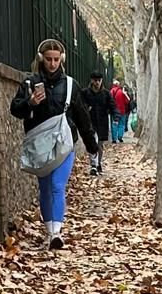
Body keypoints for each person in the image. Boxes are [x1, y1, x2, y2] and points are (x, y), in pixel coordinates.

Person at [9, 38, 99, 250]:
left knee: (58, 186)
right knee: (45, 189)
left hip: (64, 143)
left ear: (62, 60)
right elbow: (15, 109)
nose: (52, 64)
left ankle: (56, 233)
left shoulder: (70, 85)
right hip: (40, 145)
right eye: (48, 59)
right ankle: (50, 231)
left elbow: (82, 117)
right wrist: (30, 102)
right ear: (41, 59)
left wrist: (92, 146)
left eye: (56, 59)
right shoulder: (29, 83)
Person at [84, 72, 114, 174]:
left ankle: (98, 163)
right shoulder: (85, 93)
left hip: (102, 123)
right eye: (95, 80)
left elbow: (112, 105)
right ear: (91, 80)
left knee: (100, 145)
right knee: (93, 142)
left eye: (99, 80)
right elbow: (80, 105)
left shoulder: (106, 93)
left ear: (101, 81)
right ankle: (93, 164)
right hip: (90, 122)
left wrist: (116, 116)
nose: (97, 82)